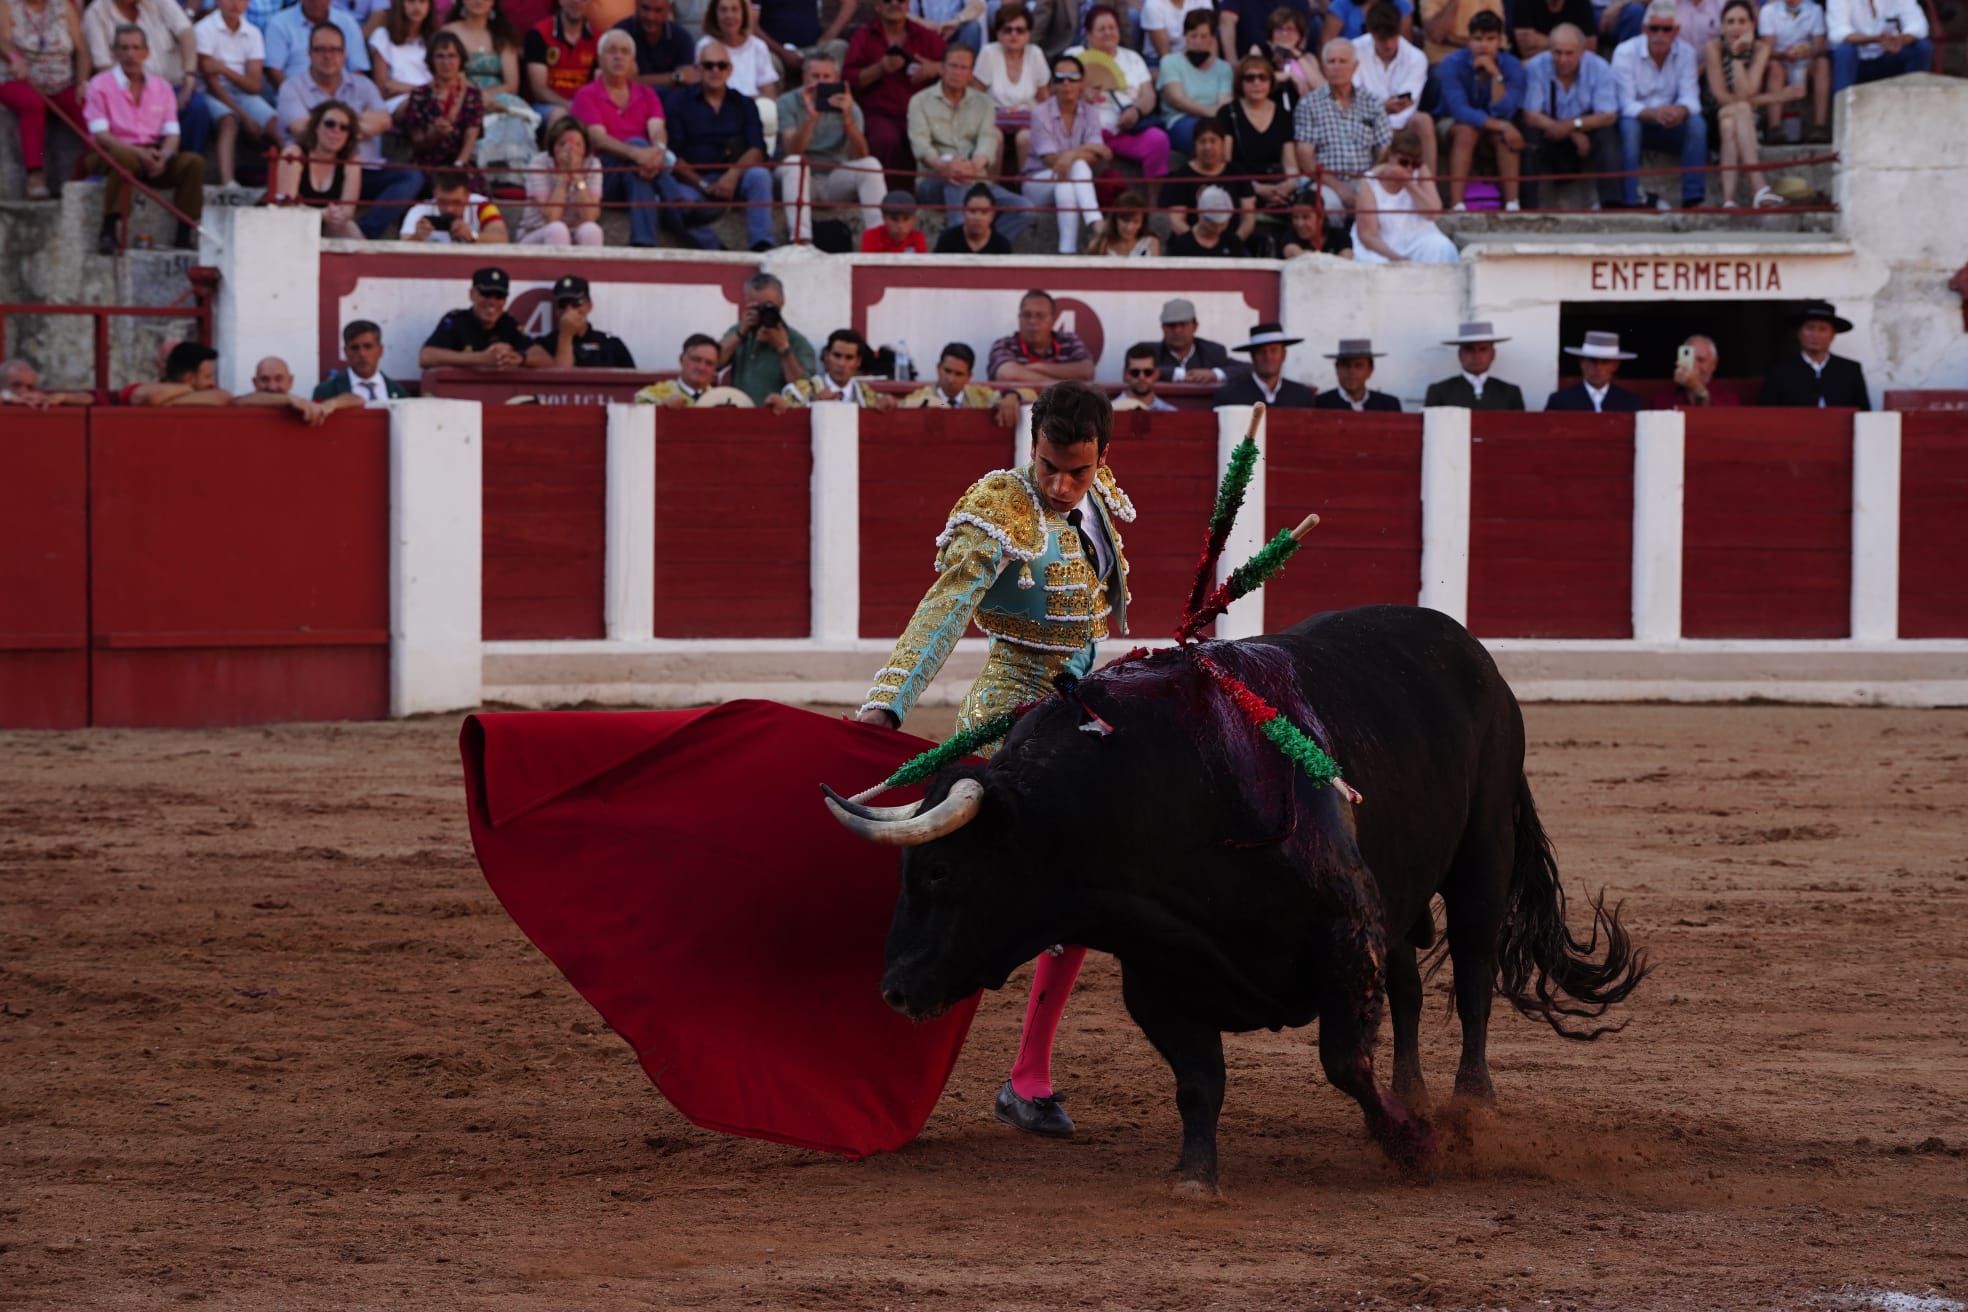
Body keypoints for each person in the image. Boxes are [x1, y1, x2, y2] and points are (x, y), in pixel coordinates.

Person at [854, 379, 1135, 1142]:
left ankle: (1026, 1077)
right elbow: (942, 609)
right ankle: (894, 1044)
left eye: (1077, 470)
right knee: (963, 893)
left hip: (1084, 711)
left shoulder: (1098, 493)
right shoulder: (999, 506)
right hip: (1009, 718)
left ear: (1101, 457)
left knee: (1078, 897)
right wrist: (889, 702)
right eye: (1048, 465)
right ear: (1031, 443)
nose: (1059, 484)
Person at [277, 20, 415, 239]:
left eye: (335, 50)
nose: (328, 56)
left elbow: (384, 121)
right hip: (309, 169)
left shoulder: (363, 85)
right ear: (309, 54)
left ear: (344, 54)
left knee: (411, 177)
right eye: (320, 49)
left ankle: (368, 233)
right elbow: (304, 130)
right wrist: (359, 126)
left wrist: (335, 123)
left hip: (362, 170)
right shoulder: (292, 87)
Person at [83, 23, 205, 253]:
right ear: (114, 52)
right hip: (110, 153)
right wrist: (139, 153)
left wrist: (165, 156)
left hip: (151, 154)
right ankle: (109, 229)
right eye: (124, 48)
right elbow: (101, 136)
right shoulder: (100, 85)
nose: (130, 54)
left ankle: (183, 233)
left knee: (193, 163)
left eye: (136, 48)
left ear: (146, 52)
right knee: (123, 158)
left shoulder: (162, 87)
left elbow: (172, 134)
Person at [660, 40, 778, 251]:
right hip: (692, 182)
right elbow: (672, 155)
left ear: (730, 69)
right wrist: (704, 185)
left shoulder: (745, 104)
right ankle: (715, 249)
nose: (715, 70)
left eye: (721, 65)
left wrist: (731, 176)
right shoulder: (678, 102)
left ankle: (762, 246)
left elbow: (757, 149)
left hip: (735, 178)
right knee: (673, 201)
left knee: (759, 176)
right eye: (708, 65)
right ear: (697, 69)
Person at [908, 44, 1033, 241]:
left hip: (976, 178)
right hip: (934, 180)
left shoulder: (985, 103)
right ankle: (960, 249)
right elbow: (921, 146)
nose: (958, 72)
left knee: (1026, 209)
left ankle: (986, 249)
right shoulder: (919, 101)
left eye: (964, 68)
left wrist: (973, 166)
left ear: (971, 73)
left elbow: (987, 141)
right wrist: (945, 166)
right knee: (958, 183)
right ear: (942, 68)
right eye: (953, 66)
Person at [571, 27, 666, 246]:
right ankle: (673, 196)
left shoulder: (647, 94)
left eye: (625, 52)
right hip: (602, 175)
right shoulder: (586, 95)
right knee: (637, 146)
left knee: (638, 171)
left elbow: (658, 131)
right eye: (611, 51)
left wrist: (657, 153)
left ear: (633, 60)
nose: (618, 56)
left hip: (639, 172)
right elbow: (598, 139)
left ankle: (644, 243)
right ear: (599, 58)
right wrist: (638, 153)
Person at [776, 54, 886, 245]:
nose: (820, 82)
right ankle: (801, 241)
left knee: (871, 165)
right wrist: (812, 116)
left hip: (833, 177)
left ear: (836, 79)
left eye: (826, 77)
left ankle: (879, 241)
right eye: (815, 76)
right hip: (798, 177)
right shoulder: (788, 102)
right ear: (804, 78)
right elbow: (792, 150)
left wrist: (847, 120)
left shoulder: (851, 107)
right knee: (795, 163)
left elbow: (860, 155)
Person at [83, 0, 213, 155]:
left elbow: (186, 32)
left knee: (197, 108)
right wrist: (145, 90)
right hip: (128, 90)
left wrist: (189, 74)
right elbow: (103, 63)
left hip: (172, 85)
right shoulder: (96, 12)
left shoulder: (161, 2)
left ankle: (176, 164)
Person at [1611, 0, 1706, 210]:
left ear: (1676, 30)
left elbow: (1691, 98)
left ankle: (1693, 198)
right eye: (1654, 28)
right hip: (1639, 123)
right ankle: (1630, 199)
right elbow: (1625, 104)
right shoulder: (1624, 52)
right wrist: (1654, 113)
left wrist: (1680, 111)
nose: (1659, 34)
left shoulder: (1686, 53)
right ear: (1644, 29)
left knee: (1697, 124)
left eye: (1666, 29)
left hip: (1669, 123)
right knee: (1629, 124)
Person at [1520, 22, 1621, 210]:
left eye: (1569, 53)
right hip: (1549, 128)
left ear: (1582, 51)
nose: (1562, 59)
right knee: (1529, 137)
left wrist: (1573, 125)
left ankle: (1611, 205)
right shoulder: (1537, 66)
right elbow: (1530, 114)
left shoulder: (1599, 68)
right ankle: (1528, 207)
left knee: (1607, 137)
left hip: (1585, 127)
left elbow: (1608, 115)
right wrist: (1570, 132)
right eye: (1557, 52)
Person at [843, 0, 945, 177]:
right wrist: (879, 69)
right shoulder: (864, 36)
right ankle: (884, 198)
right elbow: (848, 79)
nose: (895, 4)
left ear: (908, 5)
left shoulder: (926, 37)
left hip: (921, 114)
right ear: (877, 5)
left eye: (901, 0)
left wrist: (935, 68)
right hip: (878, 114)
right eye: (887, 1)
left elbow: (956, 67)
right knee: (885, 139)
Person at [1705, 0, 1792, 207]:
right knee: (1737, 111)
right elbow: (1721, 96)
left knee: (1731, 123)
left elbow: (1747, 92)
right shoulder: (1713, 48)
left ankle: (1728, 201)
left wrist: (1737, 57)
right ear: (1722, 26)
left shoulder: (1761, 48)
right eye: (1730, 22)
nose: (1736, 27)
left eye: (1742, 21)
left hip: (1745, 118)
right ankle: (1759, 186)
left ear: (1752, 25)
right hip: (1714, 115)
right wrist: (1774, 98)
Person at [1068, 4, 1168, 185]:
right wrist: (1081, 94)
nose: (1108, 33)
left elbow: (1148, 95)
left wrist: (1136, 111)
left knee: (1158, 140)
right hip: (1089, 130)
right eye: (1101, 29)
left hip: (1127, 128)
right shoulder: (1074, 56)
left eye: (1112, 28)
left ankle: (1155, 205)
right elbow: (1058, 93)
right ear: (1088, 34)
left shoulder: (1133, 58)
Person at [1437, 10, 1523, 211]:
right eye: (1477, 39)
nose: (1483, 45)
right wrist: (1502, 125)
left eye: (1490, 39)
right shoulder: (1452, 64)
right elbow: (1460, 111)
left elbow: (1506, 110)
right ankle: (1457, 204)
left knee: (1506, 136)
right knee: (1468, 130)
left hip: (1493, 123)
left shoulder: (1512, 66)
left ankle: (1512, 205)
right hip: (1450, 122)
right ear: (1469, 41)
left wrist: (1496, 75)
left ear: (1500, 41)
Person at [1020, 52, 1106, 253]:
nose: (1066, 83)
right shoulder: (1040, 112)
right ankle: (1095, 221)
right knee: (1077, 165)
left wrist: (1070, 155)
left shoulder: (1091, 112)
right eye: (1060, 79)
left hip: (1065, 180)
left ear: (1081, 83)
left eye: (1072, 78)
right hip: (1037, 182)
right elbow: (1050, 160)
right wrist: (1080, 152)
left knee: (1066, 185)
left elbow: (1095, 156)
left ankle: (1066, 251)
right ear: (1052, 85)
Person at [443, 0, 540, 176]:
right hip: (460, 94)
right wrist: (477, 97)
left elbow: (511, 84)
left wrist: (487, 97)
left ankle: (511, 175)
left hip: (499, 95)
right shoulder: (450, 32)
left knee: (512, 117)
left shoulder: (502, 35)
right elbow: (449, 72)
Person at [0, 0, 85, 201]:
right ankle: (35, 174)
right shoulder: (7, 5)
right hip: (17, 78)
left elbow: (82, 49)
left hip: (62, 81)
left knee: (87, 109)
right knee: (33, 104)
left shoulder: (63, 6)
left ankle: (86, 173)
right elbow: (1, 38)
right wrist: (14, 56)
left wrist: (82, 82)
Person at [1291, 39, 1388, 214]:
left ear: (1355, 66)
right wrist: (1340, 188)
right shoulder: (1309, 104)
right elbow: (1305, 158)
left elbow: (1385, 152)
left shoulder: (1373, 103)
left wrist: (1366, 183)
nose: (1337, 67)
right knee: (1328, 206)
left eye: (1342, 61)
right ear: (1323, 66)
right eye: (1331, 61)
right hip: (1326, 182)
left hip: (1366, 180)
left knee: (1378, 205)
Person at [131, 341, 329, 423]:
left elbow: (225, 398)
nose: (212, 382)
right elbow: (143, 397)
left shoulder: (215, 394)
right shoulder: (142, 391)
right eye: (208, 376)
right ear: (189, 378)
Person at [194, 0, 276, 187]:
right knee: (229, 121)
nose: (235, 4)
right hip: (208, 93)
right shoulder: (203, 29)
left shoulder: (253, 33)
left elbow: (255, 85)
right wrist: (244, 117)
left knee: (276, 123)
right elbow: (212, 84)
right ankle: (228, 183)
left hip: (241, 92)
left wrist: (223, 69)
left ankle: (290, 180)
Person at [1351, 126, 1458, 263]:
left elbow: (1434, 214)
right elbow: (1367, 235)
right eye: (1404, 162)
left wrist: (1409, 183)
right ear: (1390, 156)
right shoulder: (1369, 182)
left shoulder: (1420, 171)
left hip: (1418, 240)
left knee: (1440, 246)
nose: (1409, 168)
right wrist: (1397, 258)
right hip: (1383, 246)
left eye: (1414, 163)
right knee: (1378, 263)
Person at [1350, 1, 1433, 175]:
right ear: (1371, 32)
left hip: (1400, 125)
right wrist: (1382, 111)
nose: (1388, 45)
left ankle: (1429, 186)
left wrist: (1385, 120)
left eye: (1392, 37)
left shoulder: (1416, 58)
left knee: (1423, 121)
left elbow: (1408, 106)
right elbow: (1354, 99)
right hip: (1363, 121)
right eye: (1381, 39)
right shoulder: (1353, 51)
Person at [420, 266, 552, 370]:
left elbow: (545, 359)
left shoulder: (508, 323)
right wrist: (482, 358)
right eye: (486, 294)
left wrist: (518, 358)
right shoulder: (456, 320)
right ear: (472, 295)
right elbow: (426, 357)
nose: (492, 302)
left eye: (499, 296)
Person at [719, 271, 816, 403]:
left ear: (782, 302)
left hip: (779, 416)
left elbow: (804, 391)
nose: (764, 313)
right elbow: (714, 364)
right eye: (757, 307)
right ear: (747, 303)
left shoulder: (797, 342)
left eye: (769, 307)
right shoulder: (738, 333)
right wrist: (740, 334)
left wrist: (784, 349)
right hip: (741, 412)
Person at [272, 98, 363, 236]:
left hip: (327, 225)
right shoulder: (294, 154)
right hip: (289, 224)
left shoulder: (351, 161)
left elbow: (348, 210)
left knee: (349, 228)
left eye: (344, 128)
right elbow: (286, 205)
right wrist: (321, 214)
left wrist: (336, 215)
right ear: (316, 127)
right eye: (329, 124)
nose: (336, 131)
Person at [395, 29, 482, 170]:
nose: (446, 62)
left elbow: (471, 134)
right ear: (431, 60)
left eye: (452, 56)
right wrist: (433, 133)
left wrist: (459, 165)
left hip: (461, 164)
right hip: (427, 166)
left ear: (461, 59)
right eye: (440, 56)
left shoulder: (473, 95)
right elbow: (417, 141)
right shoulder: (419, 94)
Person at [1162, 113, 1254, 243]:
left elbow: (1248, 220)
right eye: (1202, 141)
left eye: (1213, 140)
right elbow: (1176, 221)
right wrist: (1201, 245)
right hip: (1191, 246)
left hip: (1231, 245)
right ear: (1195, 145)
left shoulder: (1237, 173)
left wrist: (1234, 244)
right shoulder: (1181, 176)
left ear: (1222, 143)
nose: (1208, 147)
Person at [1759, 301, 1870, 408]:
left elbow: (1863, 414)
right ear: (1799, 333)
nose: (1815, 335)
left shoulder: (1850, 370)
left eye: (1822, 329)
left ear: (1832, 335)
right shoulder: (1779, 371)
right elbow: (1766, 415)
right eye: (1810, 328)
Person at [1226, 55, 1301, 211]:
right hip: (1240, 187)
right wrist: (1256, 188)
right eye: (1250, 78)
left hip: (1277, 185)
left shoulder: (1283, 115)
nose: (1257, 83)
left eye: (1263, 77)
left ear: (1271, 82)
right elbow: (1226, 163)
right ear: (1240, 82)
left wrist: (1287, 186)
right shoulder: (1226, 113)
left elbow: (1290, 164)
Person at [517, 113, 605, 244]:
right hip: (537, 231)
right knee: (557, 229)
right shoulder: (539, 163)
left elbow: (591, 216)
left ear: (585, 149)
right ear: (553, 148)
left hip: (575, 231)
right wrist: (563, 177)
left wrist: (577, 177)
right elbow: (552, 216)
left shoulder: (593, 164)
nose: (570, 150)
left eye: (578, 145)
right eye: (562, 144)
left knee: (592, 230)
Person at [1155, 9, 1230, 155]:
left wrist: (1214, 115)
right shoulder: (1170, 62)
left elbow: (1224, 102)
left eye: (1203, 36)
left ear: (1212, 39)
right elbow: (1177, 100)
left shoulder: (1223, 68)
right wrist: (1210, 112)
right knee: (1203, 135)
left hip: (1215, 121)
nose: (1197, 41)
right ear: (1185, 36)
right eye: (1193, 36)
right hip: (1181, 120)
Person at [899, 342, 1025, 425]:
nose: (951, 379)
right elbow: (899, 406)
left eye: (958, 374)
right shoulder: (921, 397)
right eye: (947, 371)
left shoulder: (980, 396)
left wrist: (1012, 395)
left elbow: (1032, 394)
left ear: (969, 376)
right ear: (938, 368)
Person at [987, 288, 1094, 383]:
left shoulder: (1069, 341)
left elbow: (1087, 371)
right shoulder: (1004, 344)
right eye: (1027, 315)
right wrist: (1059, 390)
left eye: (1040, 316)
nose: (1033, 321)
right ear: (1019, 318)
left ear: (1052, 320)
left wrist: (1037, 367)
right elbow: (1007, 374)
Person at [1757, 0, 1827, 141]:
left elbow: (1819, 46)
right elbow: (1767, 49)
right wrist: (1785, 55)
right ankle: (1774, 128)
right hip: (1780, 60)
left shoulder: (1815, 9)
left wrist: (1808, 52)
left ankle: (1820, 127)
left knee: (1822, 63)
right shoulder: (1768, 11)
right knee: (1775, 68)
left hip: (1806, 61)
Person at [771, 328, 895, 408]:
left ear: (858, 362)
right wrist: (812, 405)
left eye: (849, 358)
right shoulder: (803, 391)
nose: (841, 363)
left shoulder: (867, 396)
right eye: (837, 355)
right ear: (826, 357)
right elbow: (784, 409)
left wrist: (890, 403)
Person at [260, 0, 370, 85]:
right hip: (296, 96)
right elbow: (273, 71)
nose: (316, 2)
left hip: (342, 98)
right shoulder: (279, 23)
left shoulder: (347, 23)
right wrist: (294, 94)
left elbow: (358, 69)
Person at [522, 0, 599, 119]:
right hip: (546, 107)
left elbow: (600, 86)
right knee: (559, 115)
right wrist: (571, 106)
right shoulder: (539, 33)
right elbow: (539, 90)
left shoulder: (599, 39)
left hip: (583, 106)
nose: (576, 2)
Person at [1423, 320, 1525, 409]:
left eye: (1483, 349)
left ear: (1493, 354)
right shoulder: (1439, 392)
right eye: (1469, 349)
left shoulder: (1510, 393)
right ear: (1460, 354)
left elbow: (1519, 429)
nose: (1476, 355)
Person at [1828, 0, 1927, 91]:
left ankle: (1916, 98)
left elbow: (1918, 25)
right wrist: (1875, 39)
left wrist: (1900, 40)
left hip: (1887, 55)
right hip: (1857, 60)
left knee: (1921, 47)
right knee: (1845, 51)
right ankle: (1843, 106)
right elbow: (1838, 32)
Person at [1214, 322, 1315, 407]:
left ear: (1283, 355)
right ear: (1253, 357)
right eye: (1261, 351)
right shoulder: (1229, 396)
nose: (1268, 357)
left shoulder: (1302, 395)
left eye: (1274, 350)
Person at [695, 0, 778, 103]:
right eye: (723, 10)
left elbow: (769, 96)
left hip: (753, 111)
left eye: (735, 10)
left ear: (743, 14)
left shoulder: (758, 47)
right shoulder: (705, 46)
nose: (729, 15)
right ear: (714, 14)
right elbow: (702, 91)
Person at [313, 319, 410, 403]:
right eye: (355, 348)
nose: (362, 354)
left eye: (368, 346)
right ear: (346, 352)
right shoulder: (326, 391)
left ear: (380, 350)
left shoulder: (399, 392)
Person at [400, 168, 511, 240]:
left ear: (468, 196)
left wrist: (471, 236)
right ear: (434, 193)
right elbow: (402, 243)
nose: (449, 209)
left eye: (457, 202)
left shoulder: (482, 205)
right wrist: (416, 238)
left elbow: (501, 237)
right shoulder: (420, 210)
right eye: (443, 201)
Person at [1546, 329, 1644, 411]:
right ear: (1581, 362)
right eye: (1592, 361)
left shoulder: (1630, 402)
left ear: (1615, 365)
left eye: (1605, 362)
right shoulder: (1560, 401)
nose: (1598, 368)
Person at [973, 2, 1045, 110]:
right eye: (1007, 30)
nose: (1014, 35)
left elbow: (1044, 99)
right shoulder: (988, 53)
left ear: (1028, 34)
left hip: (1028, 120)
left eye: (1020, 30)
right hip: (994, 118)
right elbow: (976, 97)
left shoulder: (1035, 53)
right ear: (998, 33)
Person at [1155, 297, 1240, 385]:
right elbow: (1144, 370)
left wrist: (1214, 374)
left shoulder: (1212, 352)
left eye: (1183, 324)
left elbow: (1247, 368)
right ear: (1163, 328)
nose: (1177, 331)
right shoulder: (1151, 351)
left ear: (1195, 326)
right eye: (1171, 325)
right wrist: (1179, 374)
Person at [614, 0, 696, 90]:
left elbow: (688, 79)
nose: (651, 17)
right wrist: (673, 77)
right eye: (645, 8)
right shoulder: (620, 33)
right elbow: (618, 81)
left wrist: (638, 80)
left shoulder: (682, 38)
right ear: (636, 5)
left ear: (668, 9)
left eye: (658, 10)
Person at [367, 0, 434, 109]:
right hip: (398, 102)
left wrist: (404, 87)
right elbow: (383, 89)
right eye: (411, 2)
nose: (417, 7)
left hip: (432, 99)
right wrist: (420, 90)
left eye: (422, 2)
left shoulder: (433, 39)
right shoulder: (382, 36)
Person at [634, 333, 725, 405]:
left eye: (709, 363)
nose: (701, 367)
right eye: (696, 360)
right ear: (681, 359)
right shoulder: (652, 396)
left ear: (715, 368)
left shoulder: (722, 400)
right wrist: (663, 408)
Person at [1314, 338, 1401, 411]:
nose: (1351, 371)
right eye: (1346, 365)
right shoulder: (1319, 404)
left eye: (1358, 366)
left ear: (1370, 370)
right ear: (1337, 369)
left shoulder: (1389, 405)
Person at [1165, 183, 1247, 257]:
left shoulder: (1233, 243)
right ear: (1199, 214)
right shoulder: (1181, 245)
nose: (1218, 230)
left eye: (1222, 224)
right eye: (1212, 224)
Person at [932, 181, 1015, 252]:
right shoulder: (947, 240)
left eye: (984, 212)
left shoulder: (1001, 245)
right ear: (963, 212)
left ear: (992, 215)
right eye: (972, 211)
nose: (977, 218)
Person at [1260, 6, 1323, 100]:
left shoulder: (1307, 57)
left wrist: (1297, 56)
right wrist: (1290, 76)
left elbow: (1322, 88)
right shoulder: (1260, 50)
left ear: (1299, 34)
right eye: (1279, 29)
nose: (1284, 34)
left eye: (1290, 29)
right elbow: (1256, 77)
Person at [1418, 0, 1505, 62]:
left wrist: (1450, 39)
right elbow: (1437, 35)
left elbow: (1495, 33)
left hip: (1488, 56)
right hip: (1443, 59)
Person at [1084, 189, 1158, 254]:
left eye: (1136, 222)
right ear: (1115, 219)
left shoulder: (1151, 243)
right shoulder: (1100, 245)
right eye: (1125, 221)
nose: (1129, 227)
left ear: (1142, 222)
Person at [1660, 332, 1723, 406]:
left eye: (1700, 360)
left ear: (1714, 364)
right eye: (1690, 359)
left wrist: (1697, 388)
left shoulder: (1728, 398)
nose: (1694, 366)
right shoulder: (1663, 398)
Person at [1511, 0, 1598, 54]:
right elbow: (1526, 49)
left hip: (1574, 66)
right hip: (1533, 64)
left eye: (1567, 51)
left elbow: (1590, 48)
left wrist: (1545, 42)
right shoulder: (1524, 2)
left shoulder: (1581, 3)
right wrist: (1570, 46)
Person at [0, 357, 92, 407]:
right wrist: (7, 397)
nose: (24, 391)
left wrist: (63, 397)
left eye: (30, 387)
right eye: (16, 385)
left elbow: (89, 398)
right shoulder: (4, 396)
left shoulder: (40, 399)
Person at [1112, 342, 1177, 411]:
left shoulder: (1169, 412)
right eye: (1135, 372)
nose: (1141, 377)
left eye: (1148, 372)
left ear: (1156, 374)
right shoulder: (1110, 412)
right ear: (1125, 374)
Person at [1140, 0, 1214, 59]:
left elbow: (1210, 35)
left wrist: (1213, 68)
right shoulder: (1152, 4)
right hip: (1159, 60)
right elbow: (1166, 56)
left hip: (1197, 55)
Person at [861, 188, 928, 250]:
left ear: (914, 219)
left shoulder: (918, 239)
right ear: (884, 218)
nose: (900, 226)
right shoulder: (871, 237)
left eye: (906, 219)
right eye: (894, 219)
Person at [911, 0, 985, 54]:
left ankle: (967, 69)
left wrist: (956, 21)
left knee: (972, 27)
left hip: (955, 30)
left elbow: (977, 5)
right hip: (927, 31)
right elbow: (906, 12)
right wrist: (925, 24)